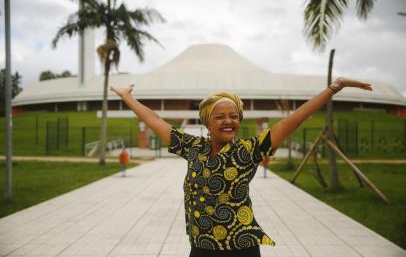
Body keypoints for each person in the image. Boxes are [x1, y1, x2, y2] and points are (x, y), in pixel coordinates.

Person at [110, 77, 372, 257]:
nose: (229, 121)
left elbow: (293, 120)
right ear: (207, 121)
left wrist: (334, 88)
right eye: (220, 116)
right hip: (201, 246)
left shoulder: (247, 150)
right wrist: (127, 98)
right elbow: (155, 120)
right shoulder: (194, 148)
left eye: (234, 116)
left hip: (240, 246)